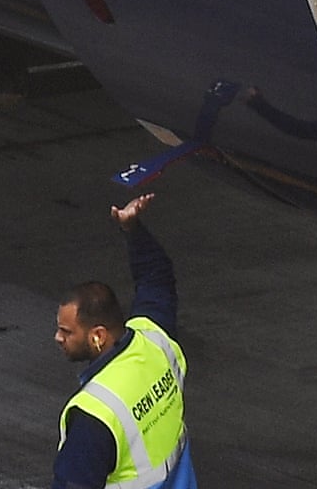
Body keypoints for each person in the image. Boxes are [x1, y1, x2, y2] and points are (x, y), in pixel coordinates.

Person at [51, 193, 197, 489]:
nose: (57, 338)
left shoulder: (95, 415)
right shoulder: (154, 341)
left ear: (98, 336)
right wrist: (133, 228)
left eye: (67, 331)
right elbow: (157, 278)